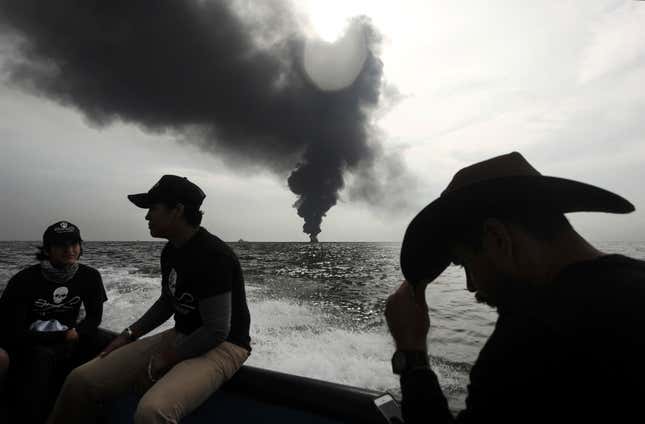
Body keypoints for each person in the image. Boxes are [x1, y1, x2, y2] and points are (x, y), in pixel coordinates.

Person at [385, 152, 645, 423]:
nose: (471, 286)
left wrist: (412, 353)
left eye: (465, 265)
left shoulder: (532, 342)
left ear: (497, 238)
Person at [48, 175, 252, 424]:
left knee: (152, 413)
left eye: (153, 209)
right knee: (81, 381)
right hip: (184, 334)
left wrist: (166, 359)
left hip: (225, 345)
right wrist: (128, 335)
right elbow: (168, 301)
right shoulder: (171, 250)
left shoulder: (213, 255)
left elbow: (217, 330)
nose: (147, 217)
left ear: (177, 211)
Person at [0, 221, 109, 423]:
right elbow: (12, 331)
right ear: (48, 250)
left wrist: (76, 333)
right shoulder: (24, 280)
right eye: (61, 245)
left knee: (116, 342)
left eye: (74, 243)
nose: (70, 250)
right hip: (29, 342)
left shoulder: (90, 276)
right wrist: (62, 336)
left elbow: (94, 318)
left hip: (68, 335)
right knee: (42, 358)